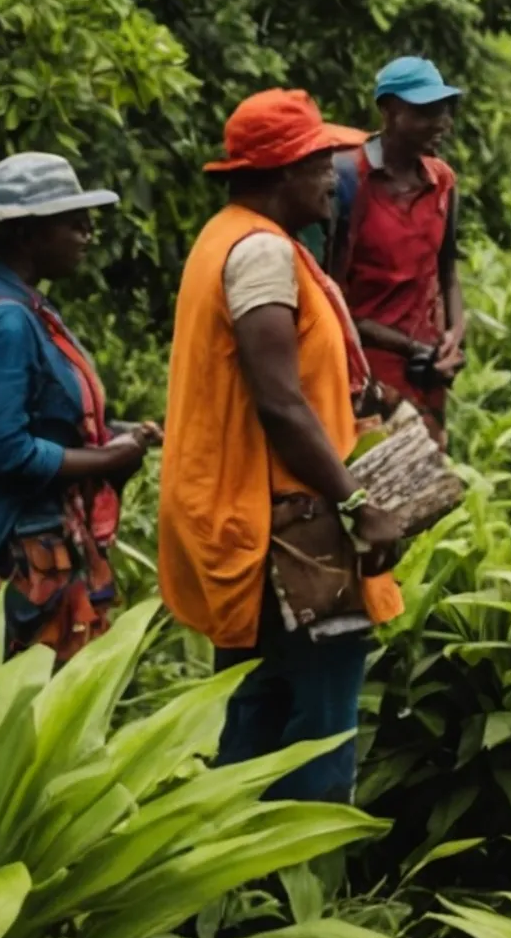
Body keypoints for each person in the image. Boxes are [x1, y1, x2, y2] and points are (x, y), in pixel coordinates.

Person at [160, 90, 406, 804]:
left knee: (256, 705)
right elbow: (278, 399)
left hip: (253, 516)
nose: (335, 176)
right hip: (291, 527)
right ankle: (305, 887)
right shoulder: (262, 253)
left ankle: (232, 883)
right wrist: (358, 501)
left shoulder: (230, 236)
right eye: (321, 162)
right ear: (280, 171)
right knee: (320, 719)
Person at [0, 153, 158, 662]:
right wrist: (107, 460)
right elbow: (4, 450)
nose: (87, 233)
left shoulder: (21, 306)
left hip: (40, 535)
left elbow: (42, 419)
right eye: (71, 222)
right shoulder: (4, 322)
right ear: (27, 233)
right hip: (18, 549)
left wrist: (120, 434)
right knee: (40, 708)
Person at [326, 56, 466, 446]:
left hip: (426, 370)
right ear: (388, 110)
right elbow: (329, 299)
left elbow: (447, 271)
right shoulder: (345, 180)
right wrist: (408, 346)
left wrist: (454, 335)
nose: (440, 123)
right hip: (364, 372)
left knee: (429, 479)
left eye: (443, 110)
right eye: (425, 112)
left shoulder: (441, 182)